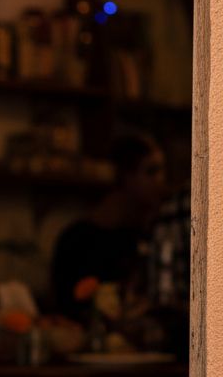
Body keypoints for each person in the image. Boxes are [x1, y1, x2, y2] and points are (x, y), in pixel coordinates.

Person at [51, 131, 169, 320]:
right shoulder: (77, 240)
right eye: (151, 171)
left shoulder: (148, 235)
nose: (161, 181)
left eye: (162, 171)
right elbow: (66, 310)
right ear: (125, 176)